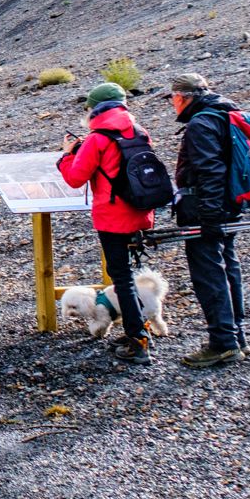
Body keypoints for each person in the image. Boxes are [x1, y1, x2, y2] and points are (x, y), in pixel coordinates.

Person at [57, 81, 155, 364]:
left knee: (121, 278)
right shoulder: (138, 131)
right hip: (140, 210)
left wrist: (66, 155)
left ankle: (138, 341)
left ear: (95, 110)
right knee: (128, 275)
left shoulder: (97, 138)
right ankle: (137, 327)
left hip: (113, 216)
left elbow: (76, 178)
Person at [165, 72, 250, 368]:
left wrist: (209, 214)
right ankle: (236, 336)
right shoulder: (225, 115)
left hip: (206, 209)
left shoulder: (201, 123)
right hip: (230, 203)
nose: (173, 104)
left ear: (184, 97)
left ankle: (223, 343)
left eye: (173, 98)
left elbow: (210, 170)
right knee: (228, 266)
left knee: (209, 273)